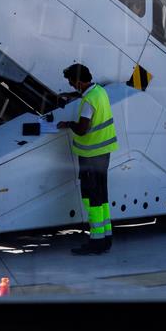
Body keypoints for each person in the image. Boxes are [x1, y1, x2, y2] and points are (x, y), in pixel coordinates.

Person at [57, 63, 119, 255]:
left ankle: (95, 241)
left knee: (91, 197)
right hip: (104, 152)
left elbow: (82, 128)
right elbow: (89, 100)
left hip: (90, 156)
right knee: (102, 196)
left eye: (71, 82)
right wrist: (71, 97)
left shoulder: (88, 102)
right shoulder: (100, 92)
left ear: (78, 81)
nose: (71, 85)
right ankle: (106, 238)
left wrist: (67, 124)